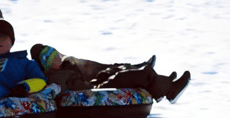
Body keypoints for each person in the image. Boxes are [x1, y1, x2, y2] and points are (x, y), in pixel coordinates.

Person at [30, 44, 190, 103]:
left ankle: (161, 86)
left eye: (56, 52)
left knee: (113, 70)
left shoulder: (64, 66)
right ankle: (170, 91)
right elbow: (58, 89)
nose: (58, 56)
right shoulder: (54, 77)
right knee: (137, 75)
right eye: (52, 57)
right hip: (89, 90)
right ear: (48, 64)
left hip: (90, 83)